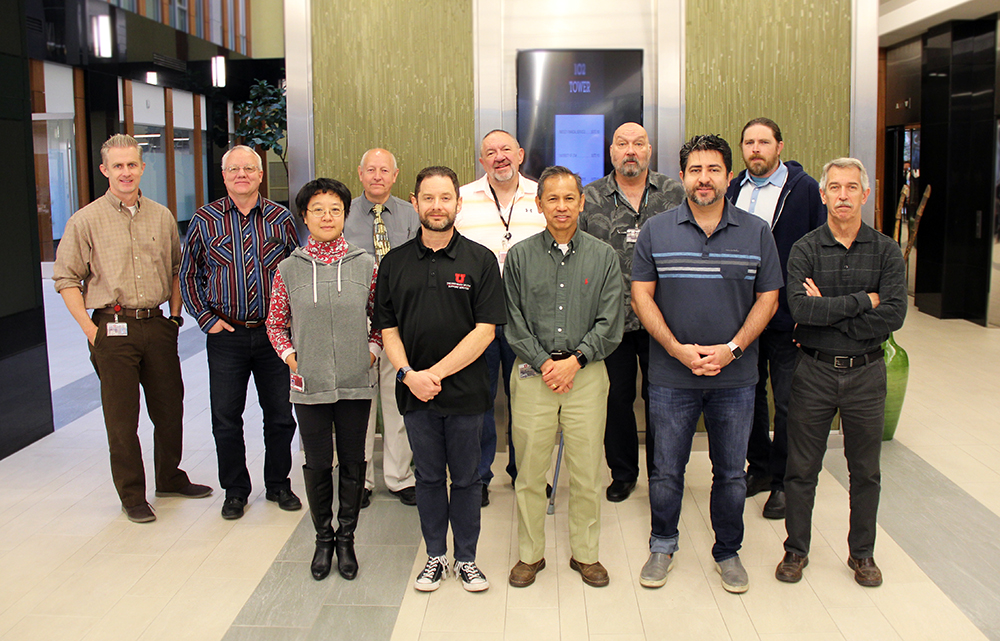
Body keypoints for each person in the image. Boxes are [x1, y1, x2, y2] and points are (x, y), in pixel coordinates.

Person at [631, 134, 782, 594]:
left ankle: (727, 551)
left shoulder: (757, 231)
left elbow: (769, 298)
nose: (704, 178)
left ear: (728, 176)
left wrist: (732, 348)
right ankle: (662, 543)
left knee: (732, 472)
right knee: (665, 469)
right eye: (695, 170)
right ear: (682, 177)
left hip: (735, 377)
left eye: (713, 169)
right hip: (671, 376)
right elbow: (641, 295)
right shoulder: (657, 230)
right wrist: (677, 349)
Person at [53, 134, 212, 524]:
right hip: (112, 327)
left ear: (143, 167)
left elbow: (177, 270)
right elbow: (66, 279)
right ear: (105, 170)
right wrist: (92, 331)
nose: (126, 172)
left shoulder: (161, 215)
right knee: (122, 420)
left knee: (170, 408)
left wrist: (175, 318)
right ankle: (132, 495)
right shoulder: (85, 220)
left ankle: (170, 477)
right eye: (118, 166)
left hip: (157, 325)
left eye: (132, 164)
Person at [775, 158, 906, 588]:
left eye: (852, 188)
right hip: (813, 370)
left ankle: (862, 554)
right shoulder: (805, 249)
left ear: (865, 195)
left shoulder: (886, 250)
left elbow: (894, 315)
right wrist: (863, 300)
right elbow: (801, 309)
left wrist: (829, 310)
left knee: (865, 470)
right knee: (801, 467)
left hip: (867, 376)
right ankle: (796, 550)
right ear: (823, 194)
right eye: (836, 187)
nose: (844, 195)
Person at [375, 166, 506, 592]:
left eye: (445, 198)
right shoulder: (394, 263)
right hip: (415, 394)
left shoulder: (480, 260)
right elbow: (388, 328)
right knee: (429, 478)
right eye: (428, 198)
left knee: (467, 479)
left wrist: (435, 373)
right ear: (415, 203)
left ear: (458, 203)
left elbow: (486, 330)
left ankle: (466, 558)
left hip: (467, 393)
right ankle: (435, 556)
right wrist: (410, 375)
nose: (437, 206)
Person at [504, 166, 624, 588]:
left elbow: (612, 321)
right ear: (539, 205)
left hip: (586, 376)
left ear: (581, 202)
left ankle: (586, 555)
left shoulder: (603, 255)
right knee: (530, 472)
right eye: (551, 199)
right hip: (534, 375)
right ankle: (529, 555)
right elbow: (512, 322)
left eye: (568, 198)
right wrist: (545, 363)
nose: (561, 206)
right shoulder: (519, 256)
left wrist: (575, 360)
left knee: (588, 473)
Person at [266, 178, 379, 581]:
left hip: (354, 381)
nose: (327, 216)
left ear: (345, 215)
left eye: (335, 209)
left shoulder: (367, 263)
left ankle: (347, 538)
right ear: (304, 216)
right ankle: (322, 538)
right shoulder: (288, 269)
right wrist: (291, 358)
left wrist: (371, 352)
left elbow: (382, 319)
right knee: (316, 463)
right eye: (318, 209)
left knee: (352, 461)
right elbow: (275, 322)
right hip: (309, 383)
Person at [180, 145, 301, 520]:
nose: (242, 175)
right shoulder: (205, 219)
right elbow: (188, 275)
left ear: (261, 175)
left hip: (273, 336)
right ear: (224, 175)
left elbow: (298, 270)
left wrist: (293, 324)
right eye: (234, 169)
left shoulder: (281, 218)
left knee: (280, 415)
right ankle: (235, 489)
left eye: (249, 168)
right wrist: (205, 319)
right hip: (226, 336)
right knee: (226, 417)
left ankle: (279, 483)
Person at [725, 118, 826, 519]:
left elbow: (820, 246)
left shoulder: (804, 190)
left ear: (779, 147)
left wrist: (810, 306)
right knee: (747, 397)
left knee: (787, 403)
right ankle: (760, 469)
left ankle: (783, 481)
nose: (755, 149)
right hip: (743, 316)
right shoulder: (733, 189)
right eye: (749, 142)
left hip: (787, 317)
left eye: (763, 142)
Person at [580, 122, 685, 503]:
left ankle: (663, 472)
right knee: (616, 400)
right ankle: (623, 473)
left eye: (638, 144)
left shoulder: (675, 193)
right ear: (611, 153)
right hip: (610, 321)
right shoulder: (589, 197)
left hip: (665, 319)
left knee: (663, 399)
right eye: (622, 144)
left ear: (649, 150)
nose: (630, 151)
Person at [457, 129, 546, 506]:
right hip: (477, 320)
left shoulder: (542, 196)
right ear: (482, 161)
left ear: (520, 154)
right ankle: (478, 476)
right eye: (490, 152)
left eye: (506, 150)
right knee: (479, 400)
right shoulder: (462, 198)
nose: (499, 157)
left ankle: (527, 474)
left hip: (528, 321)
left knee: (527, 401)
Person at [342, 148, 419, 508]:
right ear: (360, 174)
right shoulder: (342, 212)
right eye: (370, 169)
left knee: (397, 400)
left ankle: (400, 477)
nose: (377, 176)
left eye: (384, 170)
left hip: (399, 321)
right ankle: (361, 479)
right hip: (354, 321)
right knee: (359, 404)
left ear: (395, 174)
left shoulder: (410, 214)